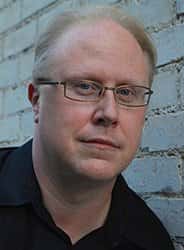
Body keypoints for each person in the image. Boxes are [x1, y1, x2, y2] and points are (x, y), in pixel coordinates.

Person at [0, 5, 175, 250]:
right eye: (85, 86)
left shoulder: (150, 242)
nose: (110, 113)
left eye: (126, 92)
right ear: (36, 100)